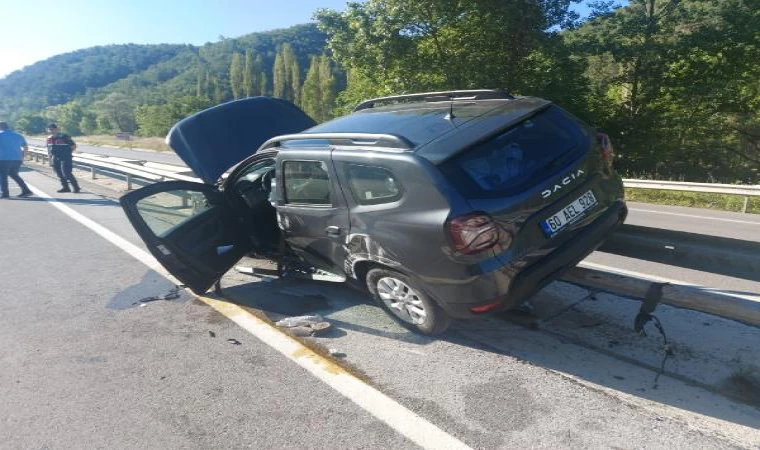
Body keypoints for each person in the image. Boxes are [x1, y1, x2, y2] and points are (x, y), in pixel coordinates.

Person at [0, 121, 33, 199]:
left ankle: (5, 193)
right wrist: (23, 158)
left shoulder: (0, 135)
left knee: (2, 176)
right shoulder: (18, 135)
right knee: (14, 175)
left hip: (4, 159)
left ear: (1, 127)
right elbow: (25, 147)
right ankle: (26, 190)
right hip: (17, 159)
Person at [46, 123, 81, 193]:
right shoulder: (49, 138)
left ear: (56, 129)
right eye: (50, 129)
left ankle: (76, 187)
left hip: (65, 158)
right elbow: (49, 149)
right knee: (59, 174)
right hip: (55, 157)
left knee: (66, 173)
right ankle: (65, 187)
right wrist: (50, 159)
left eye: (53, 129)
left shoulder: (64, 136)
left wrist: (68, 153)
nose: (51, 131)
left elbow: (73, 146)